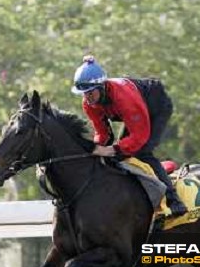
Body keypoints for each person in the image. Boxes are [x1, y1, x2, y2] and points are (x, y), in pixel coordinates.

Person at [72, 55, 187, 218]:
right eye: (84, 93)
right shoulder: (88, 103)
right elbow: (103, 133)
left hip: (155, 107)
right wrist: (95, 149)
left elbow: (140, 137)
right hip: (136, 113)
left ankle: (174, 200)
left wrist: (113, 149)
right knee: (116, 156)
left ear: (102, 86)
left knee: (141, 152)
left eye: (90, 92)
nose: (87, 97)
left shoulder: (123, 98)